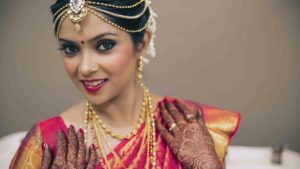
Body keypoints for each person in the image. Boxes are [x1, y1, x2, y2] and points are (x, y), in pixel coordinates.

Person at [9, 0, 241, 168]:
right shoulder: (49, 142)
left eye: (104, 45)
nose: (85, 67)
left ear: (142, 43)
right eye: (71, 49)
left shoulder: (193, 126)